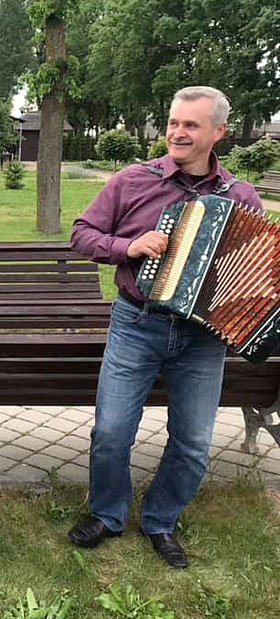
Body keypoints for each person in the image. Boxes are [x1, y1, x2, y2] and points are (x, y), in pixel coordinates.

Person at [68, 86, 262, 568]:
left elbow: (256, 268)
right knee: (111, 432)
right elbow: (81, 233)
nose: (177, 132)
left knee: (194, 442)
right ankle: (108, 515)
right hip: (137, 322)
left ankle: (160, 520)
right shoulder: (134, 181)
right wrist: (127, 247)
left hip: (202, 337)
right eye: (174, 122)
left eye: (191, 125)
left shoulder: (239, 195)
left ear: (218, 132)